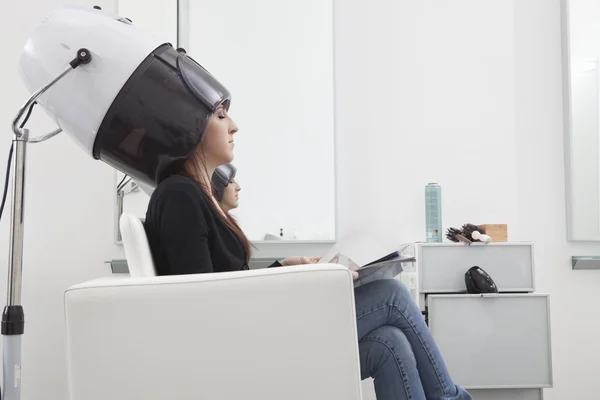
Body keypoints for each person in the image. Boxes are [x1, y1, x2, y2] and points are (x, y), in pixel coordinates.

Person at [144, 80, 471, 400]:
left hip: (251, 330)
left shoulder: (193, 195)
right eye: (220, 115)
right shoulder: (180, 195)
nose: (234, 126)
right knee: (393, 296)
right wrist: (301, 285)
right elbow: (204, 302)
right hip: (244, 345)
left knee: (390, 343)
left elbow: (227, 282)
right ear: (190, 125)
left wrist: (283, 267)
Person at [210, 163, 321, 268]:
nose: (238, 187)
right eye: (230, 181)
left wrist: (284, 264)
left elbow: (245, 281)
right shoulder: (213, 229)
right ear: (214, 187)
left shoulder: (227, 225)